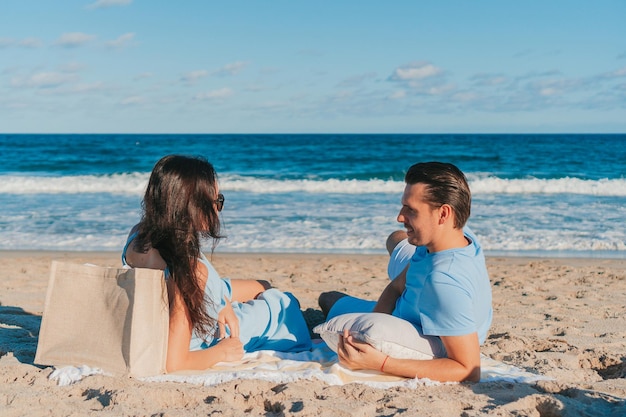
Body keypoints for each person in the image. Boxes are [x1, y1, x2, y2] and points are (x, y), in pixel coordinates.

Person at [122, 155, 312, 372]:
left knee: (263, 285)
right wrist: (222, 352)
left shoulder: (138, 235)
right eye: (217, 200)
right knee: (285, 303)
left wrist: (222, 302)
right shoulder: (190, 271)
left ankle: (227, 300)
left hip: (210, 294)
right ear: (194, 206)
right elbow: (174, 364)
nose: (218, 207)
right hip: (225, 321)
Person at [318, 162, 492, 382]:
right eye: (403, 206)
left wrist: (380, 362)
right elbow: (397, 286)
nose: (400, 217)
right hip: (417, 292)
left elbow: (468, 370)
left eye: (411, 210)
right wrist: (377, 317)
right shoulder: (454, 237)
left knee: (328, 299)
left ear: (443, 214)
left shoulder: (443, 282)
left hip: (424, 317)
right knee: (396, 238)